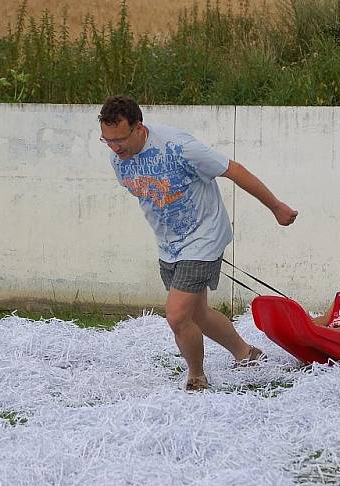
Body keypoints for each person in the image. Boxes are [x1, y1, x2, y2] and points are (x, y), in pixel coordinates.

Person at [98, 95, 298, 392]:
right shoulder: (118, 159)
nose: (115, 148)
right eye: (107, 141)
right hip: (168, 243)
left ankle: (197, 377)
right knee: (196, 315)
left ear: (139, 127)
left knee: (177, 315)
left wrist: (276, 207)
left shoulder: (179, 147)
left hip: (204, 237)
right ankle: (246, 353)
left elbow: (234, 170)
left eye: (120, 140)